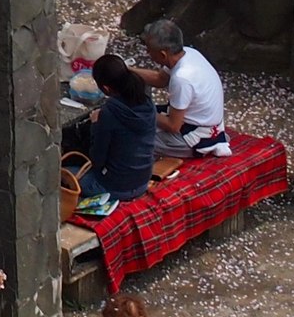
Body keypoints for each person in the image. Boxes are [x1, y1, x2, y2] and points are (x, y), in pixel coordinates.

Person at [68, 55, 158, 218]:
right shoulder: (147, 102)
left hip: (115, 187)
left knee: (65, 173)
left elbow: (97, 159)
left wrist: (96, 124)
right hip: (143, 180)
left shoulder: (110, 112)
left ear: (106, 88)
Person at [130, 19, 230, 159]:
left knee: (131, 139)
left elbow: (173, 126)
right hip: (199, 121)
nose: (147, 53)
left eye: (149, 50)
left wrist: (137, 110)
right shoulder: (189, 52)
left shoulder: (182, 78)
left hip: (196, 137)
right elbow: (160, 79)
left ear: (163, 55)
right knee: (137, 118)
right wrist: (127, 70)